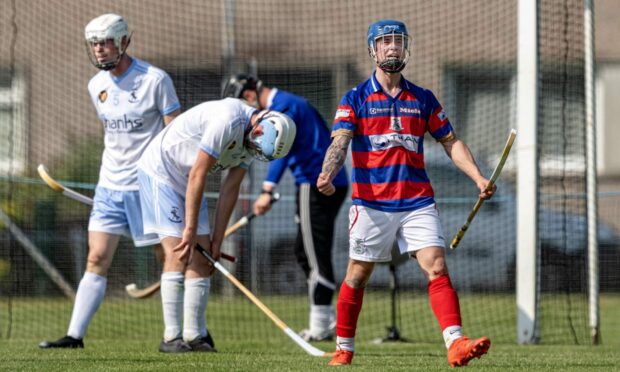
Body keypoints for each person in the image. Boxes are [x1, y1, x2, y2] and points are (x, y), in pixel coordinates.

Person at [317, 20, 493, 367]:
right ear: (373, 49)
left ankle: (456, 344)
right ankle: (344, 348)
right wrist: (328, 172)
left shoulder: (423, 98)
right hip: (371, 203)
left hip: (417, 201)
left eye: (398, 41)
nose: (393, 47)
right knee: (358, 274)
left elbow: (450, 141)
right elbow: (340, 142)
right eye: (385, 42)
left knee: (436, 266)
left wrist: (477, 177)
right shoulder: (355, 98)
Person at [39, 13, 181, 349]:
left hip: (149, 186)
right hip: (109, 187)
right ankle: (74, 336)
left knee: (169, 258)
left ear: (123, 42)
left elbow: (175, 133)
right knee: (96, 258)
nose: (99, 50)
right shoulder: (96, 85)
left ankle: (177, 335)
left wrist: (176, 180)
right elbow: (111, 135)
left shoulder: (155, 80)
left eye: (105, 42)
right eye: (94, 44)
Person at [137, 98, 296, 352]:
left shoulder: (254, 142)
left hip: (189, 179)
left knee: (202, 260)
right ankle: (171, 337)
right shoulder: (228, 119)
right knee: (179, 250)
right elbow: (200, 173)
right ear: (258, 128)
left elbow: (230, 188)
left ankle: (194, 335)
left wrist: (217, 241)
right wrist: (189, 231)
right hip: (162, 172)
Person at [222, 74, 349, 341]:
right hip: (323, 183)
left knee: (315, 256)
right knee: (304, 252)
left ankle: (320, 326)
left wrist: (267, 190)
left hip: (315, 185)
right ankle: (324, 322)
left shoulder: (283, 108)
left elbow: (279, 152)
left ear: (248, 97)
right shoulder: (288, 103)